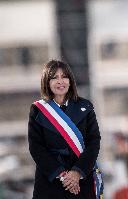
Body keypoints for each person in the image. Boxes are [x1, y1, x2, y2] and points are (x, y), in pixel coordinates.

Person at [28, 60, 102, 199]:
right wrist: (63, 175)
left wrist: (76, 172)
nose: (60, 81)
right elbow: (36, 148)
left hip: (81, 181)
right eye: (54, 77)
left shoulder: (85, 106)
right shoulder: (38, 110)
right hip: (50, 181)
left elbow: (94, 142)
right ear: (47, 82)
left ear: (70, 80)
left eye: (64, 76)